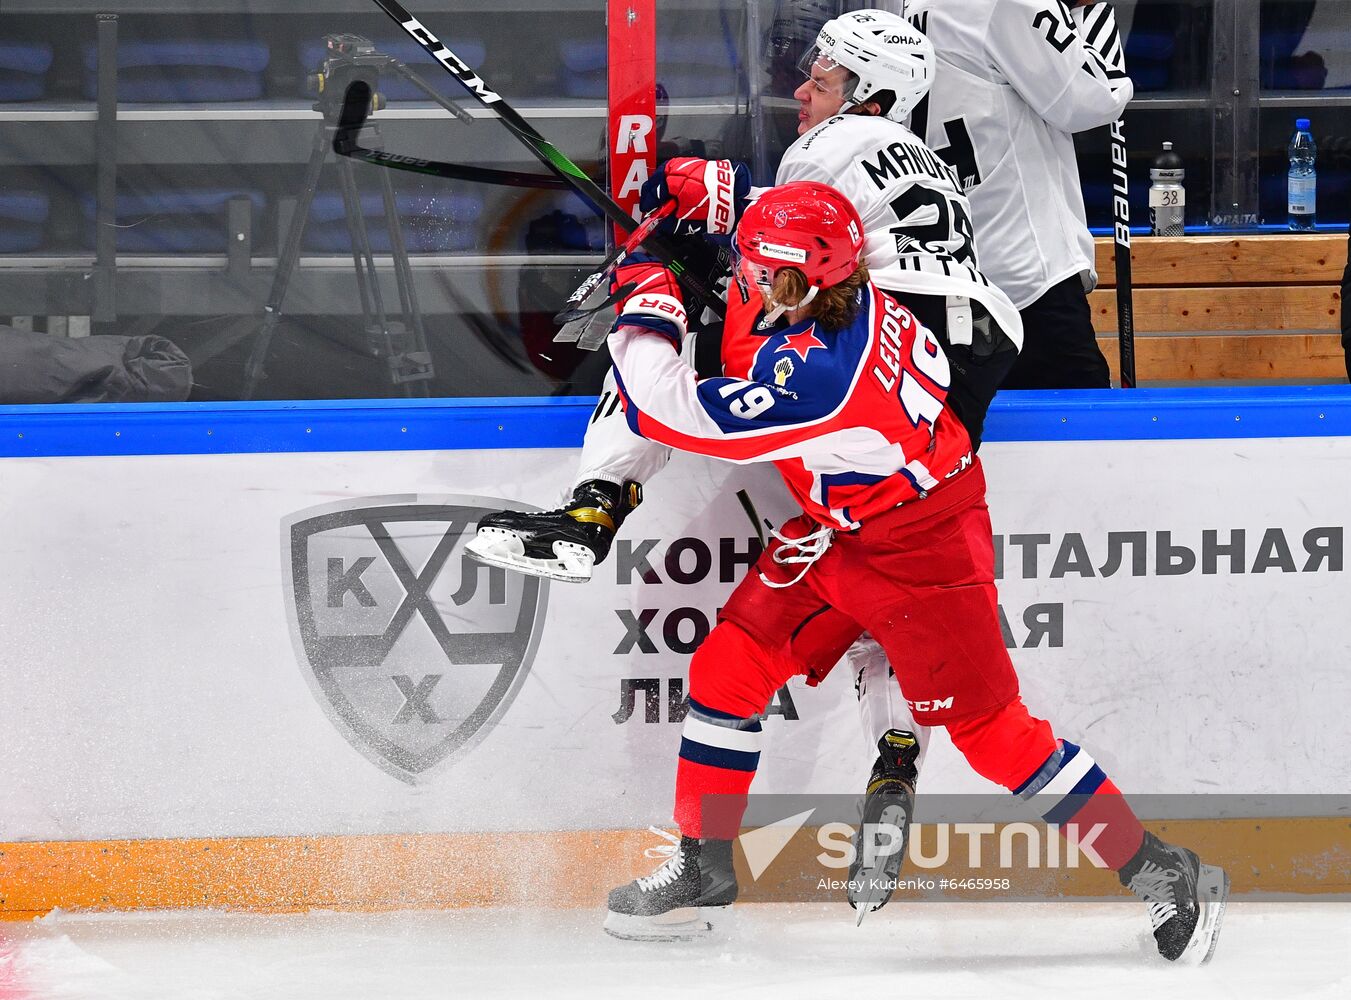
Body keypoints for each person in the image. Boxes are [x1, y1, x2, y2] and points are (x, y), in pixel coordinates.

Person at [466, 8, 1020, 915]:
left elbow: (783, 258)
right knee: (881, 556)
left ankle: (594, 504)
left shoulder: (830, 148)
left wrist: (673, 242)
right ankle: (894, 756)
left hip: (874, 347)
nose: (803, 92)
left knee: (656, 330)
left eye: (824, 80)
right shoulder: (925, 161)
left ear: (871, 96)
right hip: (961, 353)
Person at [600, 180, 1229, 965]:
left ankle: (1163, 871)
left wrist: (645, 301)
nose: (744, 276)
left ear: (796, 279)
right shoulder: (837, 297)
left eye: (757, 268)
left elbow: (668, 410)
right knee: (730, 665)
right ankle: (704, 867)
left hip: (921, 555)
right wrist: (716, 204)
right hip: (841, 530)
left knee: (996, 738)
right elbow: (769, 300)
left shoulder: (827, 379)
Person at [901, 0, 1133, 389]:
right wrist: (1087, 14)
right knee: (1081, 427)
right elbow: (1093, 97)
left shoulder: (915, 4)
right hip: (1027, 268)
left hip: (952, 259)